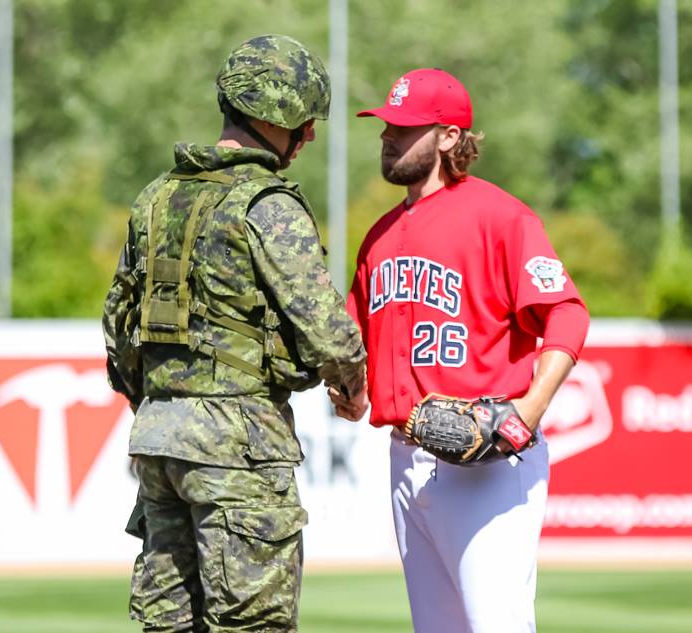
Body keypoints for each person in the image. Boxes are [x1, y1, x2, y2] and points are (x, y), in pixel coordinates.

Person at [103, 34, 367, 633]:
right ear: (277, 115)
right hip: (238, 443)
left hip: (159, 438)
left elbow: (118, 326)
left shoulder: (155, 199)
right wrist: (351, 387)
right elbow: (329, 331)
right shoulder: (267, 205)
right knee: (251, 625)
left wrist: (157, 405)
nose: (310, 137)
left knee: (168, 624)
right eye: (305, 122)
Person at [330, 68, 590, 633]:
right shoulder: (377, 236)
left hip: (488, 463)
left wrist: (530, 409)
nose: (388, 136)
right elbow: (355, 338)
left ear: (449, 137)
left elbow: (567, 311)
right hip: (405, 458)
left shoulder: (501, 217)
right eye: (386, 126)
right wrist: (350, 387)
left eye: (404, 127)